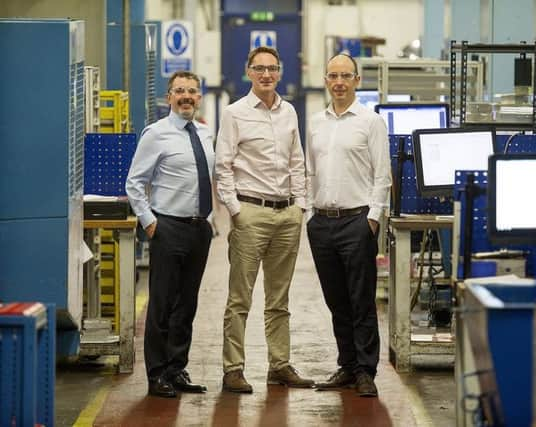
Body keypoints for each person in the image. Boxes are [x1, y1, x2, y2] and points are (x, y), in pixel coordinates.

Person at [214, 46, 314, 393]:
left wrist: (300, 206)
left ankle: (280, 365)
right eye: (260, 69)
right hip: (250, 213)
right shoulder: (234, 114)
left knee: (279, 299)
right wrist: (236, 210)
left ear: (280, 71)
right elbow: (222, 165)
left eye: (272, 68)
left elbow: (297, 162)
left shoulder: (289, 113)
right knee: (240, 298)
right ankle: (233, 369)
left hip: (287, 214)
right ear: (248, 72)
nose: (267, 75)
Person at [305, 54, 391, 397]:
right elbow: (309, 171)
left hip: (357, 221)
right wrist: (307, 211)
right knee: (336, 300)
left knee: (361, 299)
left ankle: (366, 371)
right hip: (322, 223)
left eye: (345, 76)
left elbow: (382, 175)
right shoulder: (314, 122)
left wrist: (372, 219)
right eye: (332, 76)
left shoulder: (371, 122)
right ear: (326, 80)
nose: (338, 82)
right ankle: (347, 365)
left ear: (357, 80)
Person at [126, 70, 214, 398]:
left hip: (199, 229)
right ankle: (157, 374)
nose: (186, 96)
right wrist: (150, 222)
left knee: (186, 305)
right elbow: (134, 182)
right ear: (169, 97)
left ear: (199, 97)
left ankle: (177, 369)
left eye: (192, 91)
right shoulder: (156, 134)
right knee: (162, 304)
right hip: (168, 227)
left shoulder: (205, 134)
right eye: (180, 91)